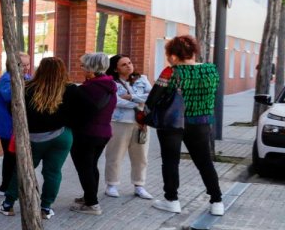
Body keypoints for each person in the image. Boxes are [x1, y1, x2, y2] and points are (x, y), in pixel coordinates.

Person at [0, 57, 81, 219]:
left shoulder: (27, 87)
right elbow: (79, 114)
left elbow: (12, 108)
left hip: (33, 138)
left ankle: (7, 205)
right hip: (61, 137)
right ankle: (46, 208)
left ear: (40, 69)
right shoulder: (71, 89)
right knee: (53, 172)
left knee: (22, 170)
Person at [150, 35, 225, 216]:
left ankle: (172, 200)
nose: (168, 58)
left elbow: (153, 99)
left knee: (170, 161)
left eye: (168, 54)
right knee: (205, 162)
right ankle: (217, 202)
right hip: (201, 123)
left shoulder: (171, 72)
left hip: (172, 123)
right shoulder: (211, 71)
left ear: (175, 56)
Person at [68, 52, 117, 216]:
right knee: (91, 166)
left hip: (86, 133)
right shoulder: (109, 85)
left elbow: (77, 112)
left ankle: (92, 204)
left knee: (85, 168)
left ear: (91, 69)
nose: (81, 69)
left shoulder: (88, 89)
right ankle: (90, 196)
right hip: (103, 132)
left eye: (83, 66)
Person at [103, 54, 153, 199]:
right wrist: (139, 102)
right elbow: (116, 101)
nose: (129, 66)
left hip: (141, 123)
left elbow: (152, 97)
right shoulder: (112, 83)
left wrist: (132, 98)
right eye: (124, 64)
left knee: (141, 155)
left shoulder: (142, 79)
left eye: (130, 62)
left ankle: (139, 185)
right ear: (116, 69)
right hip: (119, 122)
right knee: (115, 154)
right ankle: (111, 184)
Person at [0, 52, 31, 196]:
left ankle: (13, 185)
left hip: (16, 126)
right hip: (7, 126)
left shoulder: (26, 77)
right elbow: (10, 97)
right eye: (23, 65)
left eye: (28, 65)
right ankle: (5, 186)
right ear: (14, 65)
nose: (27, 68)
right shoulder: (6, 79)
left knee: (15, 156)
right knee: (10, 156)